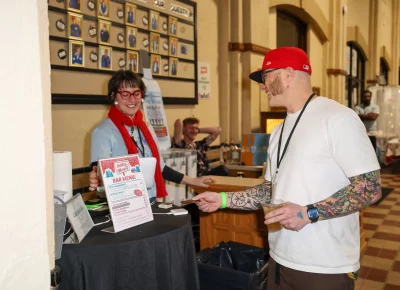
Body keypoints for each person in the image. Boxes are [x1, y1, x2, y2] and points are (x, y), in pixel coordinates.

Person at [193, 47, 381, 290]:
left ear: (289, 74)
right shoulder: (279, 131)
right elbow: (269, 191)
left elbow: (369, 189)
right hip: (280, 260)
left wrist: (307, 213)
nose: (262, 85)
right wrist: (222, 199)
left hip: (325, 266)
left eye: (267, 76)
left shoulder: (338, 118)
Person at [89, 70, 214, 202]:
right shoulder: (103, 131)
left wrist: (193, 181)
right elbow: (98, 173)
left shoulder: (146, 128)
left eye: (136, 93)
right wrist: (95, 178)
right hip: (122, 204)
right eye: (125, 94)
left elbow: (160, 168)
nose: (132, 99)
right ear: (114, 96)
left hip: (150, 199)